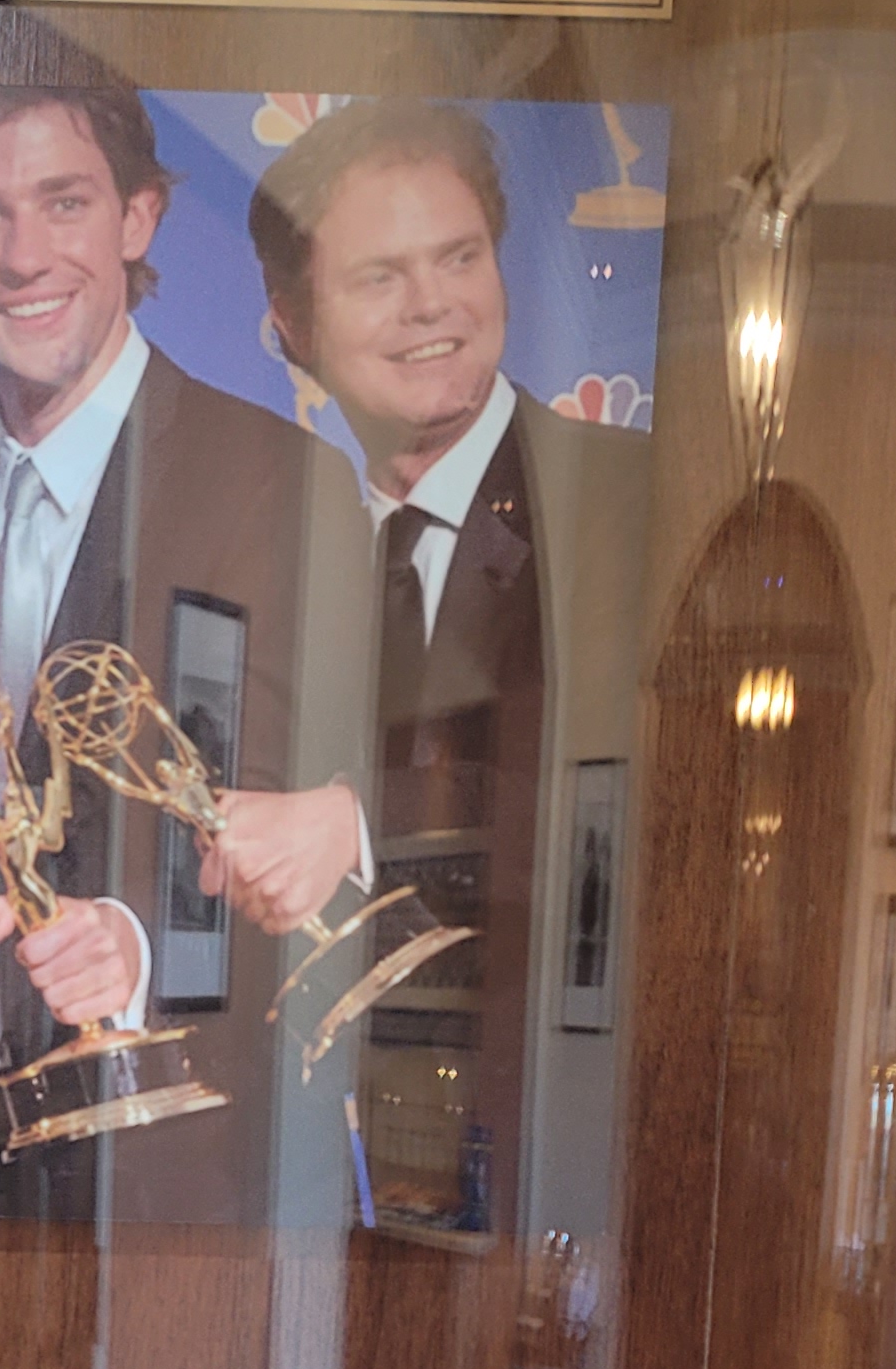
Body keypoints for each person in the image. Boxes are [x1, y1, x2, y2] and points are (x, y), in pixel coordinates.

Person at [0, 76, 372, 1214]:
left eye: (65, 203)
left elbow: (313, 829)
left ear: (139, 219)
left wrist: (142, 947)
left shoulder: (277, 483)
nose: (25, 257)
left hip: (161, 1170)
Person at [248, 94, 652, 1247]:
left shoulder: (625, 508)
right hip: (305, 1203)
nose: (434, 303)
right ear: (291, 322)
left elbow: (607, 821)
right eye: (381, 276)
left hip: (542, 1193)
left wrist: (356, 825)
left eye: (460, 257)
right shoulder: (269, 545)